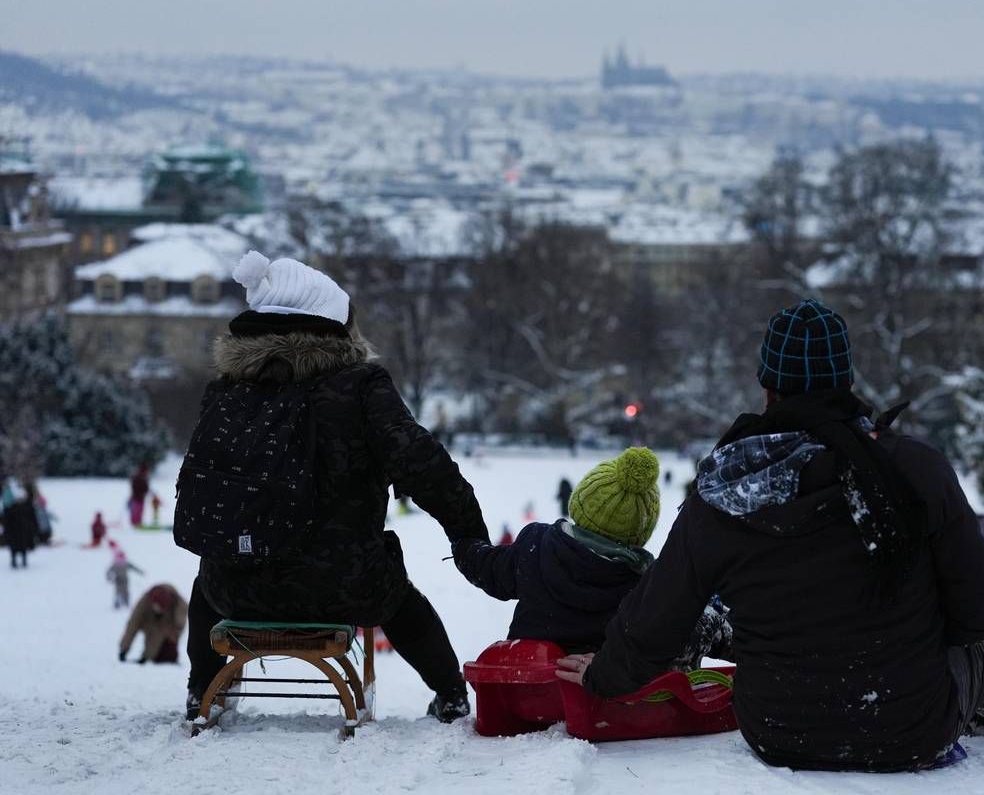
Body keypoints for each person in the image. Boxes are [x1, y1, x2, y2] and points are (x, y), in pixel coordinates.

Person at [556, 301, 984, 772]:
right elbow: (983, 615)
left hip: (778, 729)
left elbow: (657, 619)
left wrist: (602, 676)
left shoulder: (725, 487)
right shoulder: (915, 467)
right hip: (911, 727)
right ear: (847, 382)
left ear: (767, 389)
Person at [180, 251, 489, 724]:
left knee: (206, 582)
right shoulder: (361, 387)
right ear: (334, 325)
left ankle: (202, 687)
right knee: (400, 599)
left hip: (236, 589)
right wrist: (469, 534)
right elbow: (424, 466)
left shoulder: (226, 390)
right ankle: (449, 693)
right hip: (348, 587)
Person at [455, 448, 732, 662]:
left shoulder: (535, 547)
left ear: (581, 501)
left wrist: (465, 545)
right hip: (593, 697)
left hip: (531, 690)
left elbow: (487, 567)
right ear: (641, 529)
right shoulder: (645, 584)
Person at [120, 583, 188, 664]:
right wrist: (124, 648)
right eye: (157, 607)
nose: (158, 609)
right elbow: (132, 625)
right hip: (151, 626)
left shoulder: (177, 601)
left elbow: (182, 616)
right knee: (152, 643)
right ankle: (148, 656)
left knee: (169, 655)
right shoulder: (144, 603)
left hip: (169, 627)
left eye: (161, 607)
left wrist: (177, 628)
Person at [2, 483, 37, 569]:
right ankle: (15, 560)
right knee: (15, 547)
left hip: (22, 530)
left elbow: (32, 517)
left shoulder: (25, 506)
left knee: (22, 546)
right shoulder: (11, 508)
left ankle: (22, 560)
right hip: (15, 530)